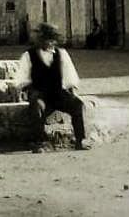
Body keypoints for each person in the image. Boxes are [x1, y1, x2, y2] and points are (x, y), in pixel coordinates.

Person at [14, 22, 90, 151]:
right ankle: (40, 142)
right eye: (45, 39)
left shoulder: (61, 54)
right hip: (40, 94)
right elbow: (22, 79)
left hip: (58, 94)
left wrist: (71, 91)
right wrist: (28, 90)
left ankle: (80, 140)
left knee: (77, 104)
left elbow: (69, 75)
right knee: (37, 107)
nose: (49, 43)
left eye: (51, 40)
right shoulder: (29, 55)